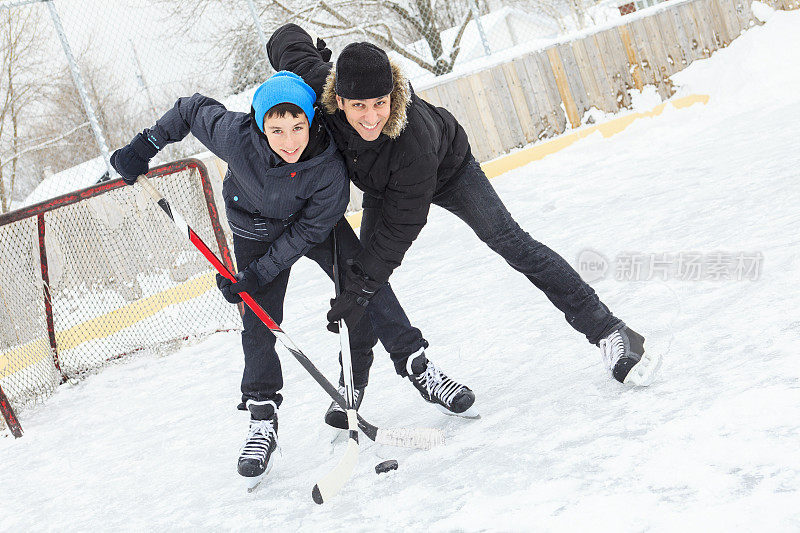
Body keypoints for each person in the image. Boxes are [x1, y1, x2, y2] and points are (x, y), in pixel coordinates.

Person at [110, 72, 476, 487]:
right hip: (253, 230)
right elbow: (189, 108)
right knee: (257, 321)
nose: (289, 141)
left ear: (312, 122)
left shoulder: (328, 166)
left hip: (313, 226)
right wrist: (147, 144)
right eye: (277, 129)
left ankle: (416, 364)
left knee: (364, 283)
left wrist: (259, 273)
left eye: (298, 127)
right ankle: (262, 415)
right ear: (259, 125)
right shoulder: (235, 135)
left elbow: (305, 234)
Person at [266, 25, 662, 388]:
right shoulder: (321, 92)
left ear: (392, 96)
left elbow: (402, 225)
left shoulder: (412, 139)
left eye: (380, 103)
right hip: (384, 185)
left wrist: (363, 287)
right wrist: (291, 55)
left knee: (512, 244)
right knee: (359, 278)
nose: (371, 117)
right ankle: (354, 380)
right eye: (359, 106)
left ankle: (610, 330)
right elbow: (288, 43)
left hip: (448, 172)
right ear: (338, 99)